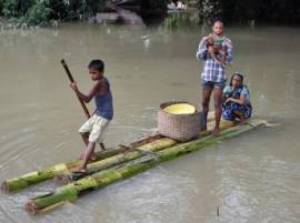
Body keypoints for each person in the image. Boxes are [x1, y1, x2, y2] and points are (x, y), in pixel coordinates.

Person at [70, 59, 113, 172]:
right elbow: (104, 100)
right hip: (99, 113)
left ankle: (83, 167)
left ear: (101, 73)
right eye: (90, 72)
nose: (91, 75)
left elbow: (87, 99)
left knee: (92, 139)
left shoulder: (100, 83)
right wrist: (95, 112)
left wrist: (76, 90)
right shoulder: (103, 81)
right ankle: (92, 155)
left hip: (104, 115)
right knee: (83, 131)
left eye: (94, 73)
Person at [196, 20, 233, 136]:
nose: (218, 30)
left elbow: (230, 59)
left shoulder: (227, 42)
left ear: (223, 29)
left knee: (217, 103)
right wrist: (209, 48)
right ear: (213, 28)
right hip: (207, 76)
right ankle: (203, 125)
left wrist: (221, 51)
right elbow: (198, 56)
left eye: (220, 28)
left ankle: (217, 127)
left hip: (219, 77)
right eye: (216, 28)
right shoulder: (205, 40)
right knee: (204, 102)